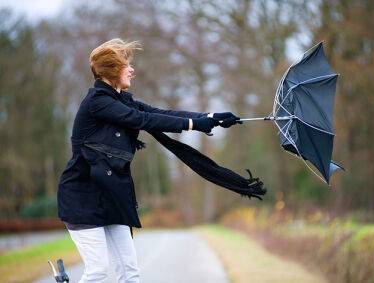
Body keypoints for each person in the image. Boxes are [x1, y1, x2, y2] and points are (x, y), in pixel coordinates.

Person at [56, 38, 241, 283]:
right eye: (125, 65)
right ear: (112, 70)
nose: (131, 69)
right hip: (83, 197)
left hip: (112, 195)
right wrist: (193, 124)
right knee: (98, 272)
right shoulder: (97, 103)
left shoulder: (121, 100)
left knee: (130, 272)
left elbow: (158, 113)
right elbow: (140, 120)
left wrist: (210, 117)